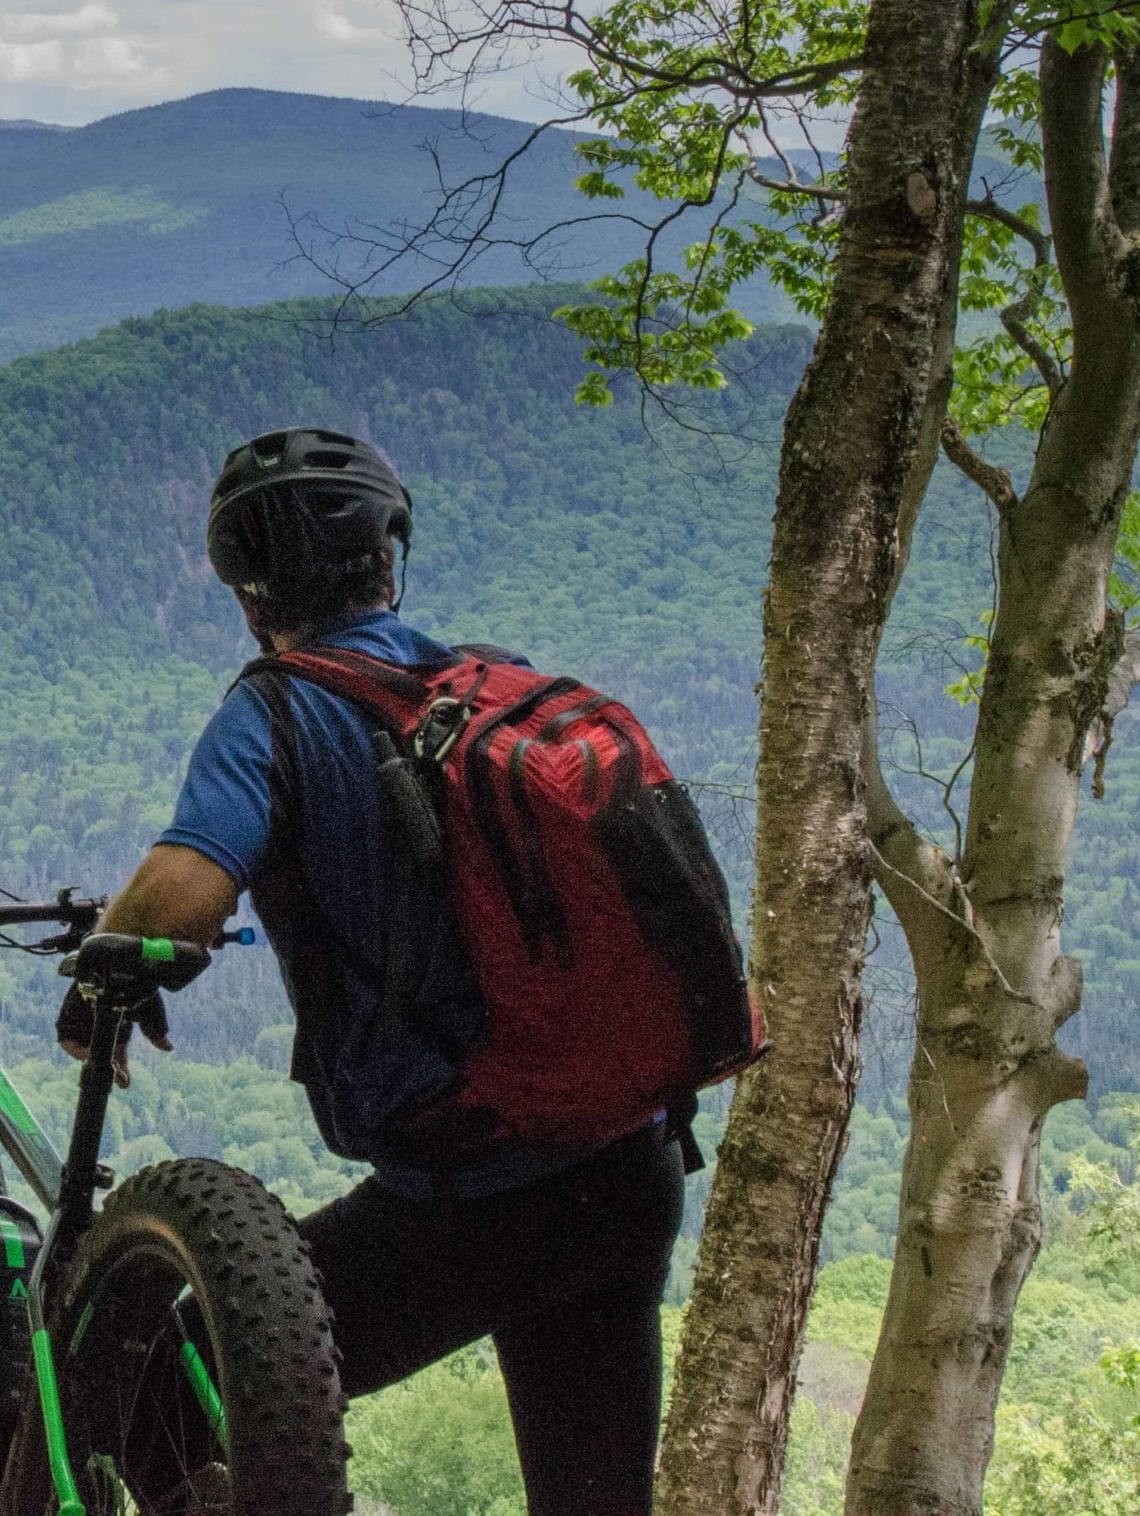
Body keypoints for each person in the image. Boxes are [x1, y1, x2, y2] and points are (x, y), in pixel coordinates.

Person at [59, 426, 687, 1516]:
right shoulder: (490, 684)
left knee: (168, 1381)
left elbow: (181, 905)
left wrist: (95, 994)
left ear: (250, 596)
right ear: (391, 560)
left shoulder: (276, 708)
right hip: (625, 1169)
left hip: (468, 1202)